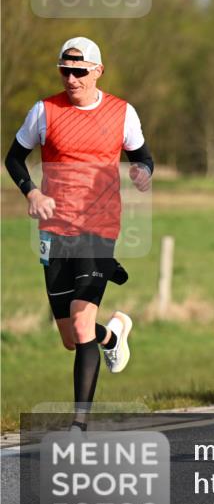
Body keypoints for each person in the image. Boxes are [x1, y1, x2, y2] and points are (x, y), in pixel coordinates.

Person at [4, 37, 153, 432]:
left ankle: (78, 426)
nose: (71, 79)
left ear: (98, 71)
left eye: (79, 71)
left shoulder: (122, 112)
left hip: (99, 226)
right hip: (55, 230)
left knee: (82, 325)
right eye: (64, 71)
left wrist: (143, 172)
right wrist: (32, 192)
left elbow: (142, 155)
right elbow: (14, 158)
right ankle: (114, 334)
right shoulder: (44, 111)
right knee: (72, 337)